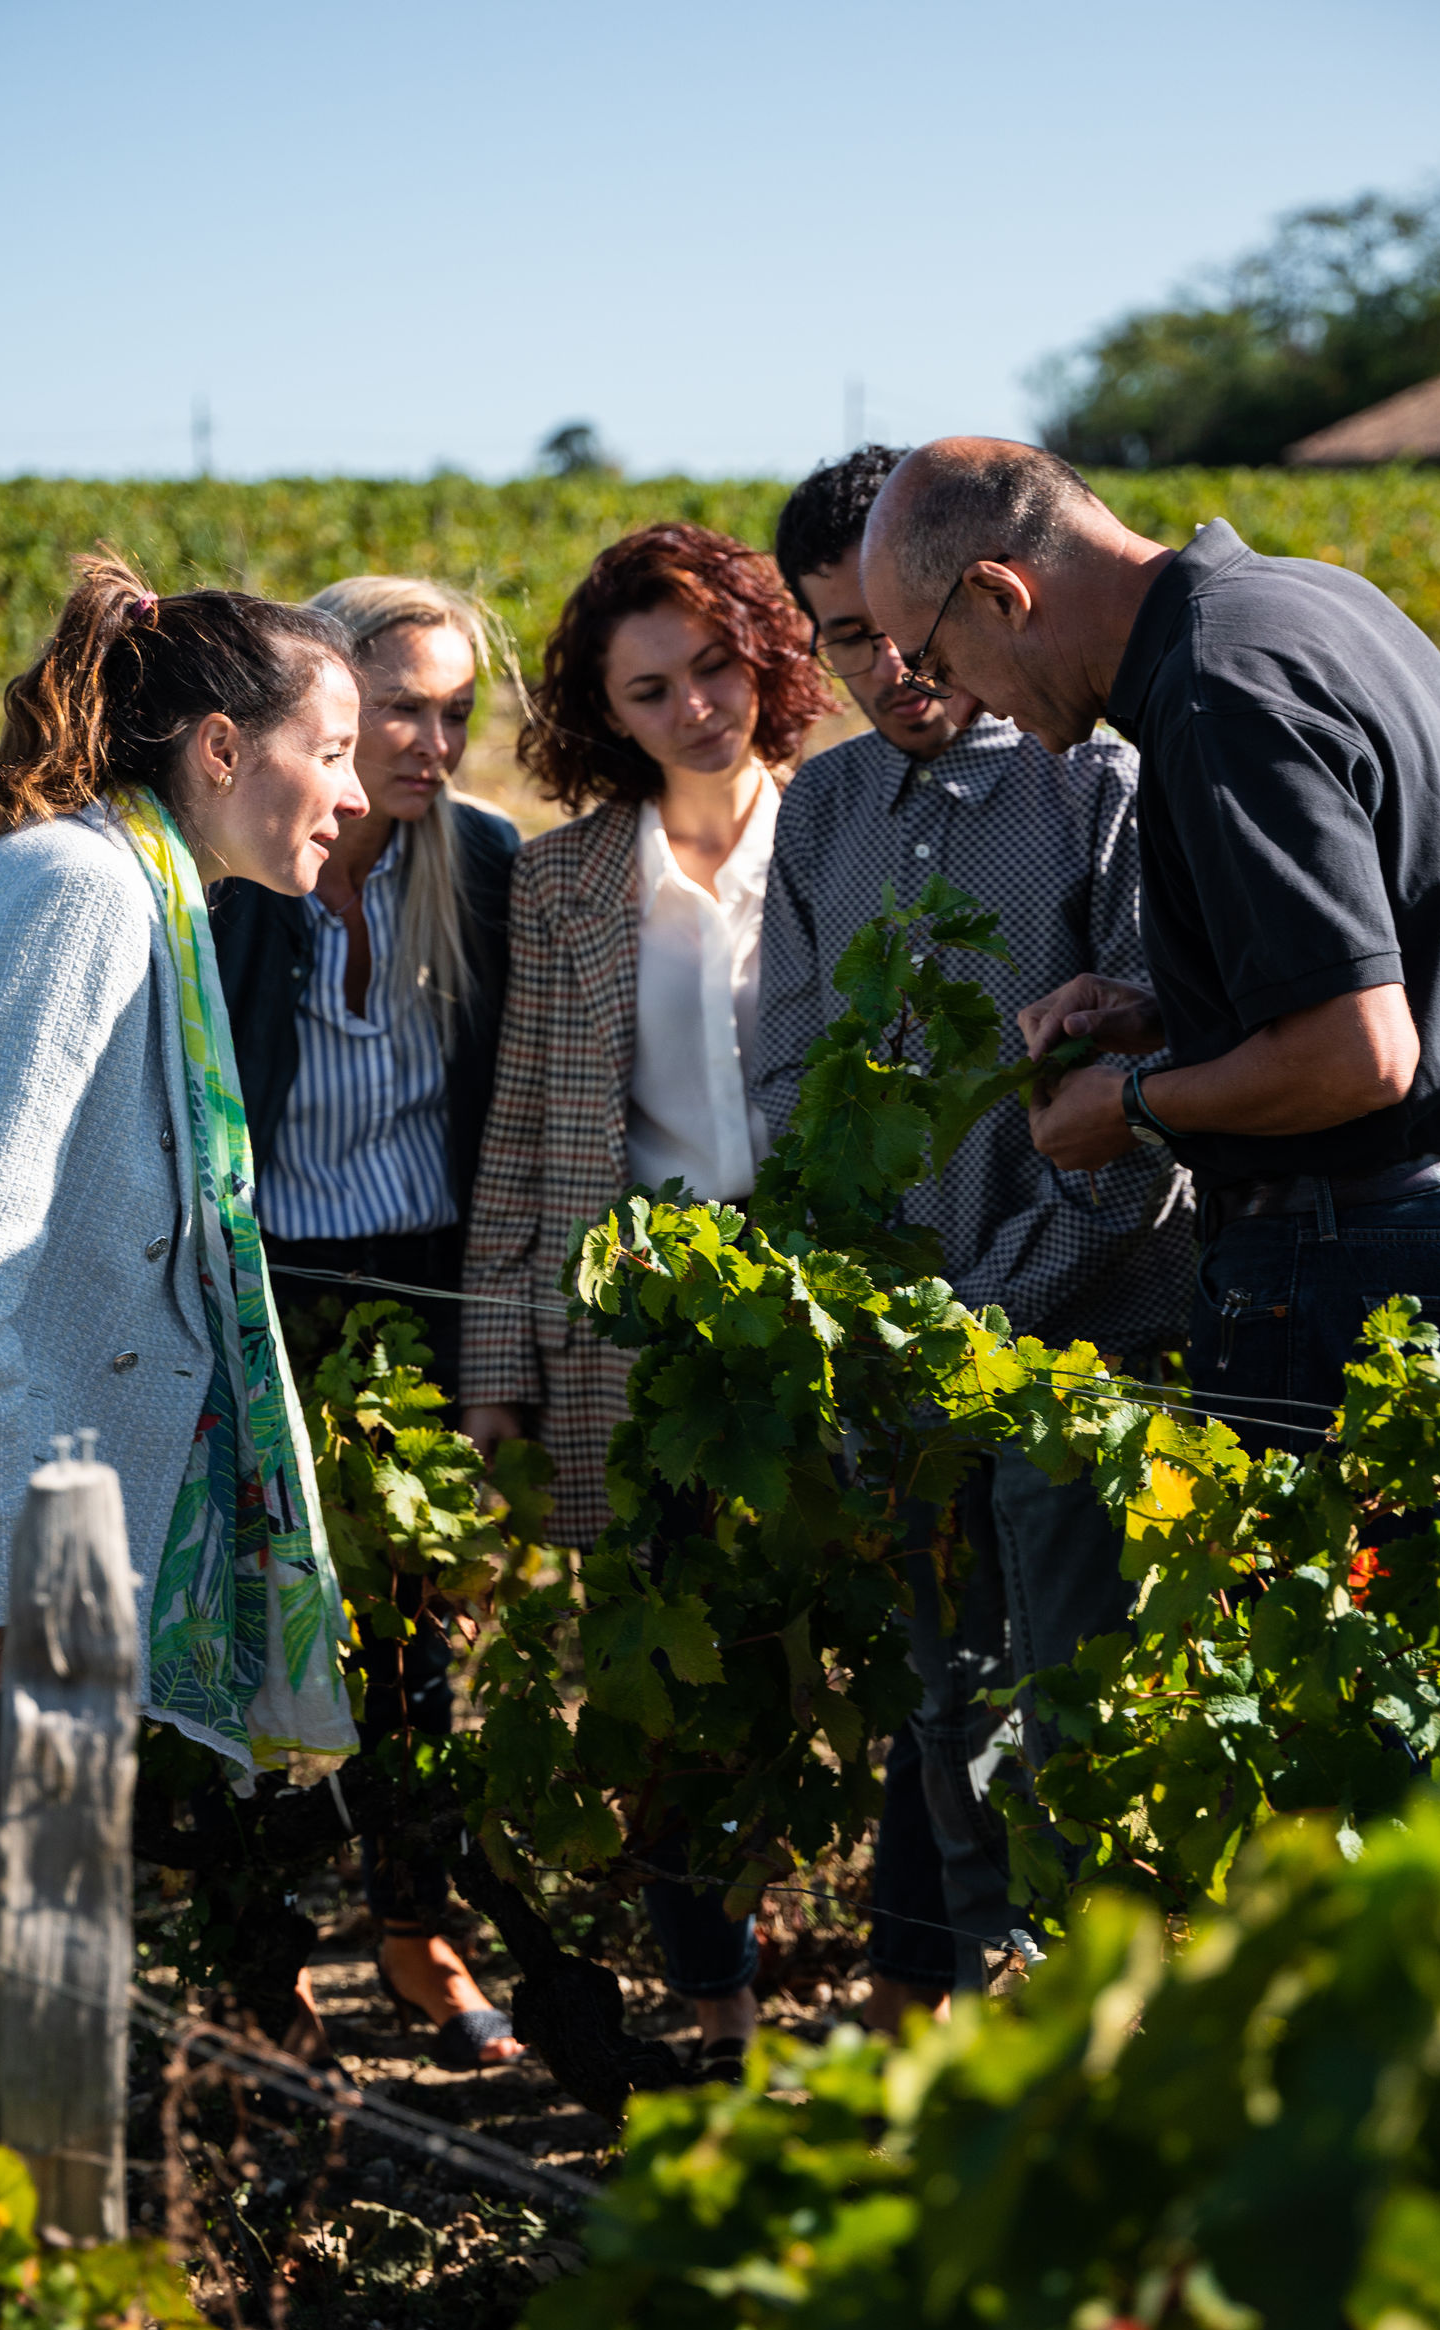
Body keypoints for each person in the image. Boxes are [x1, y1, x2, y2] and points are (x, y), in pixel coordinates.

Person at [0, 556, 364, 2141]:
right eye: (325, 749)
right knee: (41, 1926)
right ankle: (27, 2318)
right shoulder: (80, 894)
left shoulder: (84, 875)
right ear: (216, 748)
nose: (345, 793)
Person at [761, 449, 1192, 2007]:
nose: (885, 671)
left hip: (1087, 1347)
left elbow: (1147, 1110)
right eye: (838, 640)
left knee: (1076, 1709)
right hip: (906, 1359)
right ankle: (967, 2037)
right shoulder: (820, 811)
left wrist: (998, 1313)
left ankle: (1090, 2036)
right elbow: (795, 1077)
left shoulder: (1098, 784)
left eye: (894, 632)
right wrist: (874, 1315)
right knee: (943, 1712)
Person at [860, 438, 1440, 1451]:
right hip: (1436, 1233)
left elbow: (1359, 1055)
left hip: (1341, 1271)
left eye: (936, 661)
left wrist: (1129, 1105)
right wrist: (1171, 1011)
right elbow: (1396, 945)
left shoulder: (1216, 691)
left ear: (998, 593)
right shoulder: (1315, 603)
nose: (956, 700)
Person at [461, 522, 832, 2072]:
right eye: (649, 689)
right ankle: (720, 2015)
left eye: (714, 664)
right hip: (635, 1338)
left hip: (821, 1328)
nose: (697, 706)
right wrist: (493, 1358)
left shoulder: (848, 835)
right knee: (670, 1689)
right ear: (602, 717)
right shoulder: (559, 885)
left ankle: (899, 1977)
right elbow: (527, 1129)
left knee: (832, 1664)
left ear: (763, 650)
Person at [212, 575, 522, 2071]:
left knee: (419, 1640)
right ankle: (266, 1960)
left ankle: (415, 1930)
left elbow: (506, 1123)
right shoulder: (244, 865)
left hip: (421, 1280)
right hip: (266, 1280)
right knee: (260, 1618)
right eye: (403, 707)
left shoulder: (483, 864)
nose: (430, 741)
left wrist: (494, 1344)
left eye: (455, 712)